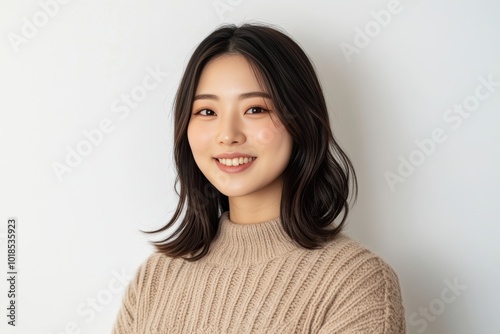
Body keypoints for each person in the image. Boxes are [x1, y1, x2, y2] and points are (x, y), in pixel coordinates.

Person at [112, 23, 406, 333]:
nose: (228, 135)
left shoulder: (356, 282)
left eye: (255, 109)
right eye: (207, 112)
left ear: (301, 121)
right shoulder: (155, 278)